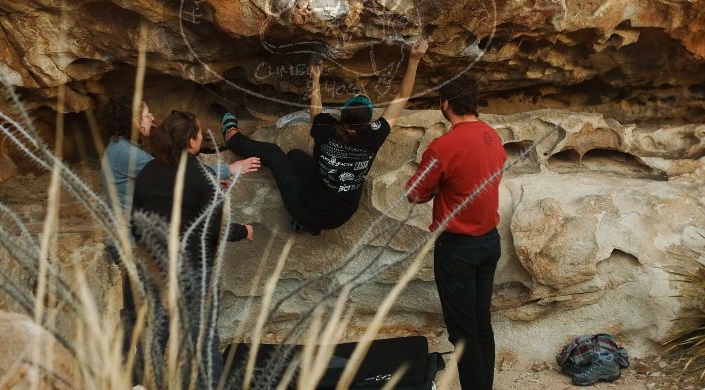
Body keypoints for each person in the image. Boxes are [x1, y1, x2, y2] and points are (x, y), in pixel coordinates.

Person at [216, 39, 429, 234]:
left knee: (273, 153)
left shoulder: (326, 128)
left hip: (306, 208)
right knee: (295, 157)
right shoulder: (375, 135)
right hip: (342, 215)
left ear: (342, 115)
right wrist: (414, 60)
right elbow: (403, 97)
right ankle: (308, 223)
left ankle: (232, 137)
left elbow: (315, 110)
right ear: (368, 121)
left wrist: (316, 78)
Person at [132, 110, 255, 388]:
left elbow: (137, 222)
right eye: (199, 133)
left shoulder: (148, 172)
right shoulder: (202, 177)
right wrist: (244, 231)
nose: (201, 136)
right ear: (191, 142)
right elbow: (216, 230)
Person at [405, 75, 506, 390]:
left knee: (463, 334)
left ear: (445, 104)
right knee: (481, 325)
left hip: (458, 249)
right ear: (474, 102)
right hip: (490, 242)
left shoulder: (443, 145)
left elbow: (415, 193)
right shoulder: (493, 136)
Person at [101, 96, 261, 214]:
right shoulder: (130, 154)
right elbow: (179, 176)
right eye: (147, 115)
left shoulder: (118, 145)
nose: (152, 118)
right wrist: (230, 169)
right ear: (136, 122)